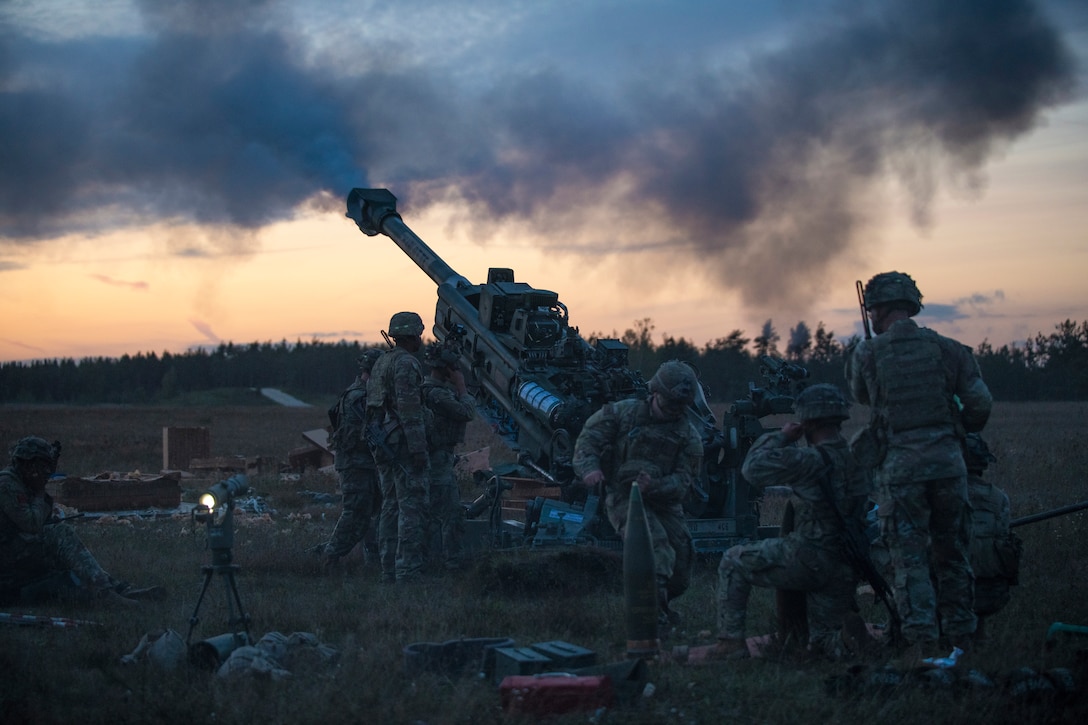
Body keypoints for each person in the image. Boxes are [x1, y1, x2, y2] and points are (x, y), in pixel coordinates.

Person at [845, 271, 993, 662]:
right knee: (953, 554)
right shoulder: (951, 349)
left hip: (901, 468)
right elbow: (979, 404)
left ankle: (923, 644)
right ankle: (962, 638)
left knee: (908, 560)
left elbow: (861, 395)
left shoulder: (868, 353)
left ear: (878, 310)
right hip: (948, 465)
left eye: (871, 309)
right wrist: (954, 429)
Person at [713, 384, 870, 660]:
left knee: (732, 560)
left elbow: (753, 469)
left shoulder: (809, 459)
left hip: (808, 556)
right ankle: (842, 641)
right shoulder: (856, 459)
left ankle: (730, 645)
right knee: (823, 642)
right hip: (845, 563)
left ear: (807, 421)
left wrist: (781, 437)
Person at [572, 360, 702, 626]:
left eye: (680, 406)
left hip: (663, 501)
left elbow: (684, 481)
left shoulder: (688, 436)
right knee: (655, 547)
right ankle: (651, 619)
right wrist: (590, 470)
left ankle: (661, 601)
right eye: (669, 404)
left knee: (682, 561)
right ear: (655, 393)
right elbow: (588, 441)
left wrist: (654, 487)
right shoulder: (623, 414)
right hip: (623, 496)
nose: (674, 411)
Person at [0, 437, 164, 605]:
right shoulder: (7, 484)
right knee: (60, 534)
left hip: (16, 550)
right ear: (28, 464)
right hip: (7, 559)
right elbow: (31, 524)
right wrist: (40, 492)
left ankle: (117, 588)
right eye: (42, 468)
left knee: (67, 552)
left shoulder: (21, 482)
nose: (44, 473)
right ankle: (105, 593)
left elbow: (39, 521)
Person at [368, 312, 431, 584]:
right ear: (411, 336)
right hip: (402, 444)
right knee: (411, 507)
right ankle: (407, 571)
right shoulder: (406, 364)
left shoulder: (382, 361)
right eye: (418, 334)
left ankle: (388, 569)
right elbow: (409, 411)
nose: (421, 339)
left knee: (390, 506)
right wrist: (418, 449)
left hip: (382, 441)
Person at [319, 348, 385, 569]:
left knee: (373, 513)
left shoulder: (359, 393)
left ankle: (373, 561)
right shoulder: (360, 397)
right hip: (356, 464)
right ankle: (330, 557)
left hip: (363, 464)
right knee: (356, 514)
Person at [421, 342, 475, 571]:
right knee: (450, 514)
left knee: (434, 514)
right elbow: (467, 412)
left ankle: (430, 561)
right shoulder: (436, 394)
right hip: (436, 461)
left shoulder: (430, 390)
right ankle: (450, 563)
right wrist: (462, 387)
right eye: (454, 367)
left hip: (437, 459)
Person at [962, 433, 1019, 645]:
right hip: (994, 592)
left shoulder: (942, 496)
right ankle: (977, 642)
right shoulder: (999, 498)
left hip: (951, 594)